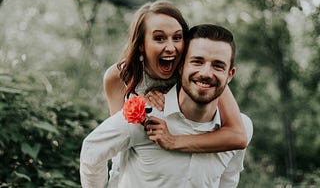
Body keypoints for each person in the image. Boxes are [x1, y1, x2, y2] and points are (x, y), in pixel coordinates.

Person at [80, 24, 253, 187]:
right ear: (180, 67)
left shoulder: (242, 126)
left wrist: (174, 141)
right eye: (197, 61)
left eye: (218, 65)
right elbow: (92, 151)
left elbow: (228, 179)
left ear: (230, 75)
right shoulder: (146, 115)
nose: (206, 73)